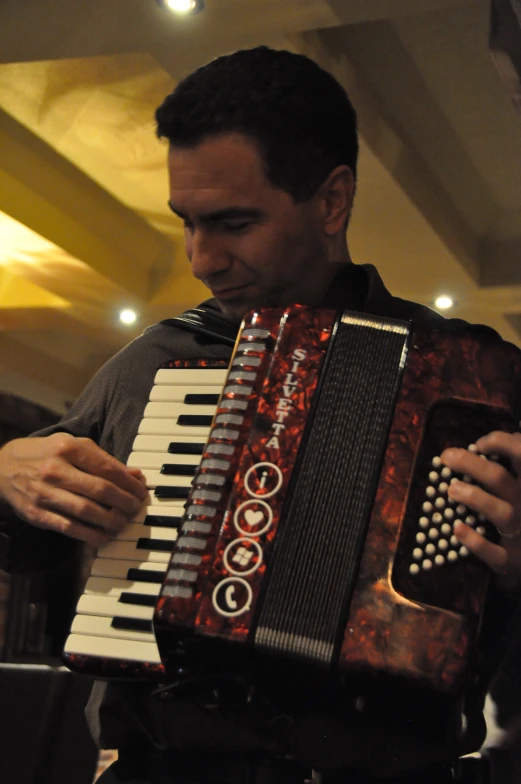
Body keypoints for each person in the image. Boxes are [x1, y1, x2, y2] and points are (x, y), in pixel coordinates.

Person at [0, 46, 520, 784]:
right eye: (186, 222)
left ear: (332, 201)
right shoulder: (160, 361)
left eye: (233, 223)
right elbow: (24, 545)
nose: (200, 259)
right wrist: (5, 475)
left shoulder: (466, 375)